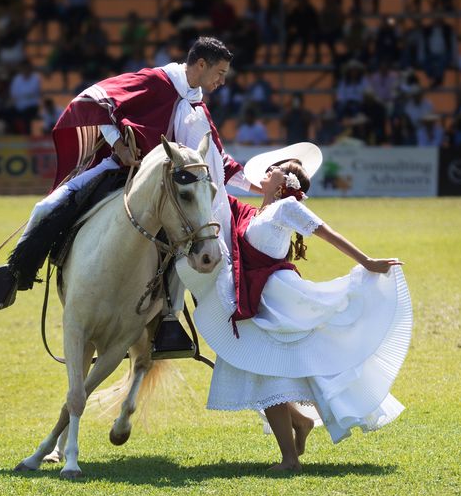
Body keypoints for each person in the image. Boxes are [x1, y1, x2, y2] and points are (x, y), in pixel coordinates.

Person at [176, 145, 410, 472]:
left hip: (280, 300)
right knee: (262, 369)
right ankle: (299, 423)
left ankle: (289, 459)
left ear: (283, 182)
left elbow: (327, 232)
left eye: (273, 169)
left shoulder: (287, 207)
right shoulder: (250, 213)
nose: (266, 171)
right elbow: (214, 194)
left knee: (273, 370)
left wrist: (367, 261)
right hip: (256, 299)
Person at [0, 37, 244, 310]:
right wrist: (119, 145)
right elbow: (98, 100)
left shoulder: (195, 102)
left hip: (161, 185)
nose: (222, 81)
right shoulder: (156, 81)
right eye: (220, 73)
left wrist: (258, 183)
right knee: (45, 207)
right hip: (118, 168)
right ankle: (13, 274)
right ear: (200, 64)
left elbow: (217, 157)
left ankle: (170, 320)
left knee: (186, 241)